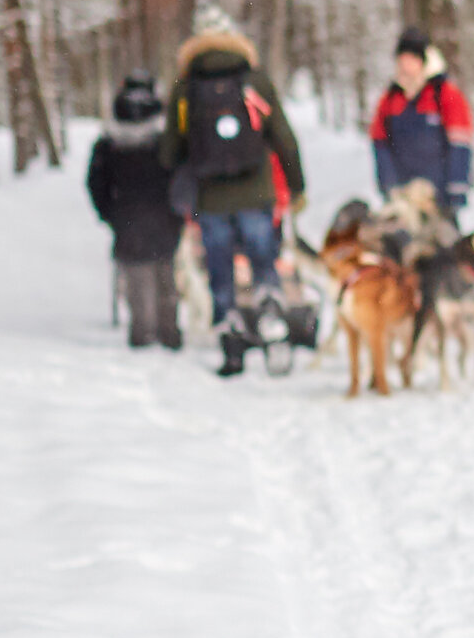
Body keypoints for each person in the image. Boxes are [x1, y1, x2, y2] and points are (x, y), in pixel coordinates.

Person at [163, 25, 309, 376]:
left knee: (219, 268)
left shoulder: (186, 88)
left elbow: (170, 151)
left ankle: (230, 335)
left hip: (210, 197)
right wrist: (297, 186)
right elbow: (283, 138)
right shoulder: (253, 80)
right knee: (263, 259)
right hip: (255, 191)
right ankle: (271, 316)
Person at [84, 77, 190, 349]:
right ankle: (170, 334)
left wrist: (109, 213)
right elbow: (180, 170)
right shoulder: (165, 131)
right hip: (163, 211)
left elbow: (96, 181)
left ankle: (142, 333)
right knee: (165, 269)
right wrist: (179, 209)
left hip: (127, 213)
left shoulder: (110, 137)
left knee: (136, 272)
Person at [370, 28, 474, 216]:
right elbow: (380, 143)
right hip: (402, 197)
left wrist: (457, 186)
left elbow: (460, 143)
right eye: (402, 60)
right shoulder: (390, 99)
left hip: (439, 197)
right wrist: (389, 185)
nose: (405, 65)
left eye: (411, 60)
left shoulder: (444, 93)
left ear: (423, 62)